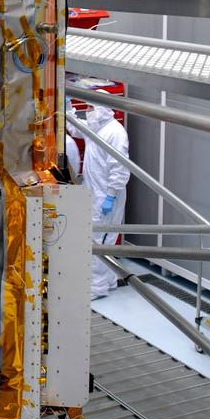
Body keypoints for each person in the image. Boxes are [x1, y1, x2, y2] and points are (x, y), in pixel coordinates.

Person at [73, 97, 130, 300]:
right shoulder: (96, 127)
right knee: (99, 238)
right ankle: (109, 281)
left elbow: (120, 167)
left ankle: (96, 288)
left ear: (102, 109)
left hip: (106, 196)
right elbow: (77, 129)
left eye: (90, 107)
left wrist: (111, 196)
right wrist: (68, 111)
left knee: (99, 240)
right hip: (94, 192)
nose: (87, 111)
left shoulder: (115, 132)